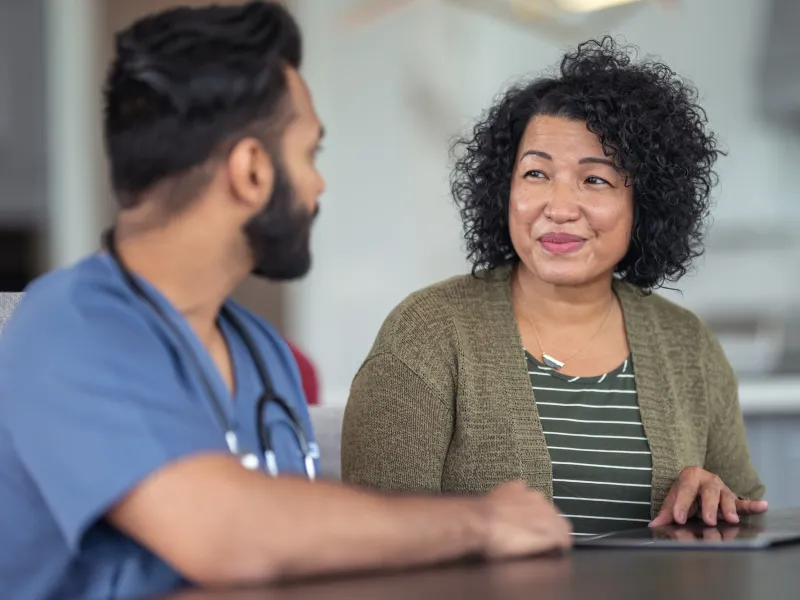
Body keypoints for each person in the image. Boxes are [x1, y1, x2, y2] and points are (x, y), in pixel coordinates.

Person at [0, 4, 571, 599]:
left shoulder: (260, 351)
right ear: (250, 170)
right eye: (309, 154)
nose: (317, 184)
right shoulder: (68, 328)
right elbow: (231, 536)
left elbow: (299, 549)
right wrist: (482, 520)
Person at [341, 37, 768, 539]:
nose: (559, 206)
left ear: (644, 204)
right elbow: (371, 539)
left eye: (595, 180)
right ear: (505, 190)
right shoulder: (429, 333)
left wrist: (714, 503)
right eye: (537, 173)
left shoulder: (688, 346)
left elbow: (750, 528)